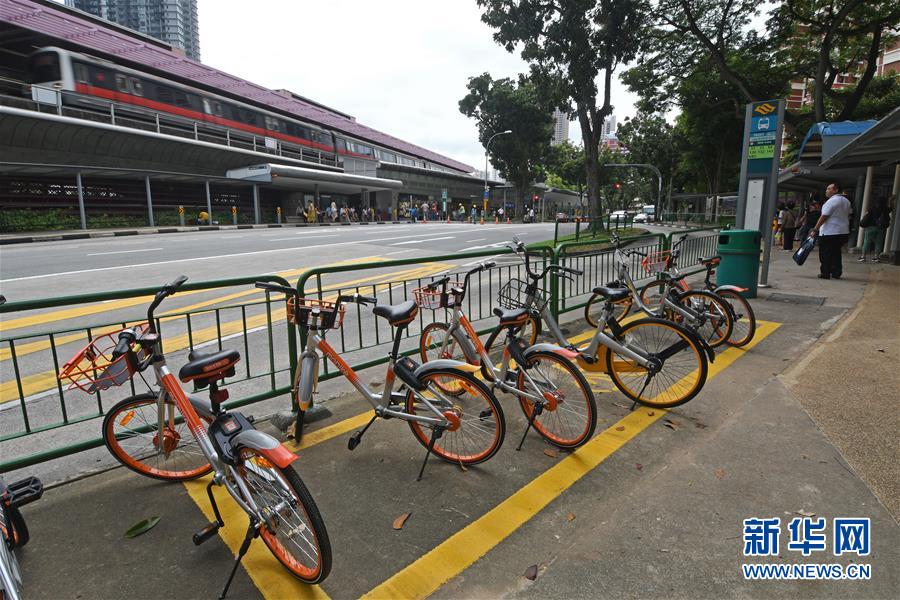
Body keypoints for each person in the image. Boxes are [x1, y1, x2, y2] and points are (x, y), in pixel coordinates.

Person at [811, 183, 851, 279]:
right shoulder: (846, 201)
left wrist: (815, 229)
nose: (826, 191)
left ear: (836, 190)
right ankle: (836, 272)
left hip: (830, 231)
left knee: (825, 253)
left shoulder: (832, 201)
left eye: (829, 189)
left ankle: (826, 272)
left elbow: (824, 216)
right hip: (843, 231)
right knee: (836, 252)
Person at [858, 195, 891, 263]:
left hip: (871, 227)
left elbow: (867, 216)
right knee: (879, 242)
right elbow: (891, 208)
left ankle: (863, 256)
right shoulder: (886, 209)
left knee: (867, 241)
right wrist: (891, 201)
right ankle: (876, 257)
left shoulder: (873, 208)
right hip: (881, 228)